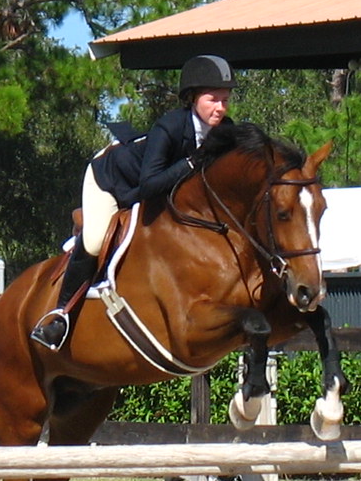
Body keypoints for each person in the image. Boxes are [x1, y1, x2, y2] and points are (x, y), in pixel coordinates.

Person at [30, 54, 237, 350]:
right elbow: (150, 184)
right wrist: (192, 162)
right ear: (192, 98)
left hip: (156, 190)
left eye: (225, 100)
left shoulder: (224, 130)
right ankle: (59, 316)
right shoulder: (169, 126)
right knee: (94, 240)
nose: (220, 108)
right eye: (212, 99)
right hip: (112, 180)